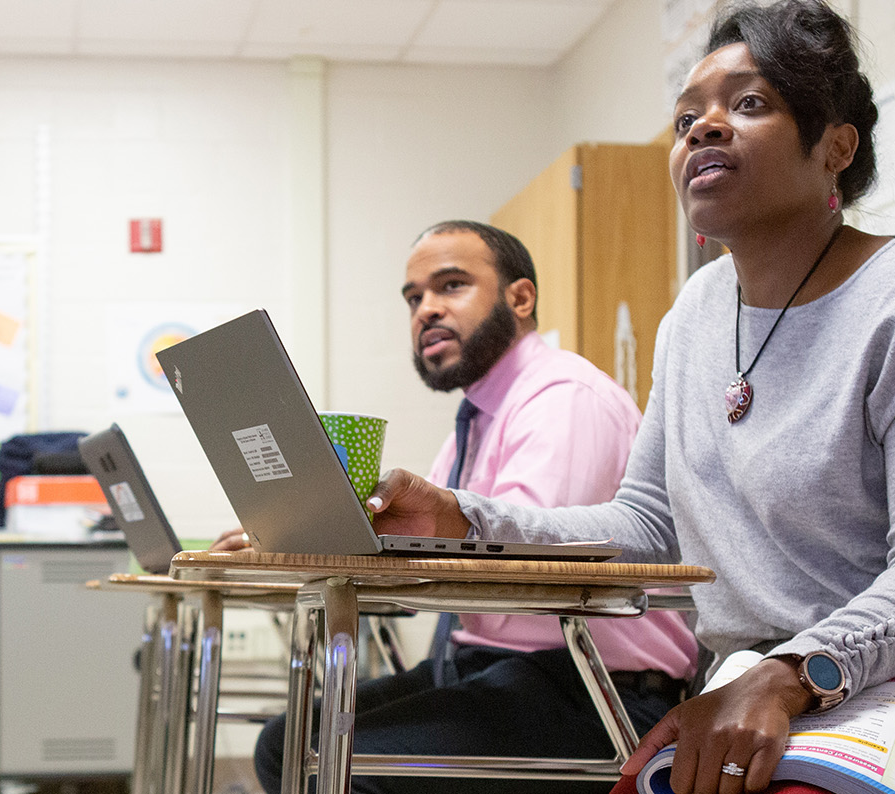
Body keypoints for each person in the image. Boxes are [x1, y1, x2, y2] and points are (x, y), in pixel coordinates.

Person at [357, 5, 895, 794]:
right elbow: (644, 525)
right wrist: (462, 520)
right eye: (685, 118)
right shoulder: (694, 316)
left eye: (750, 104)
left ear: (836, 144)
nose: (703, 129)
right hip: (768, 682)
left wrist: (785, 677)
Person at [216, 220, 699, 794]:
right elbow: (432, 537)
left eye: (450, 286)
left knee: (338, 765)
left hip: (592, 689)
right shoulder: (477, 418)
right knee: (286, 743)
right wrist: (298, 533)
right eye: (414, 297)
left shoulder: (563, 399)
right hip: (496, 669)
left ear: (520, 297)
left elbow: (508, 560)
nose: (425, 310)